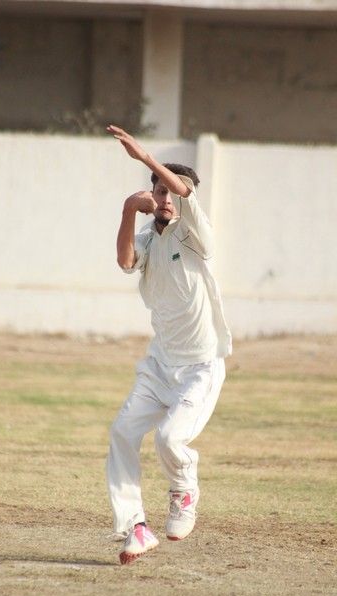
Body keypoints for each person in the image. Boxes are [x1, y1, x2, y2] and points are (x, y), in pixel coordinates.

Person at [106, 124, 232, 565]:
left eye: (172, 192)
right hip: (160, 365)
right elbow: (125, 261)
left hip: (201, 366)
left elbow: (181, 189)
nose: (165, 198)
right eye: (157, 191)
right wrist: (128, 207)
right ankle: (135, 527)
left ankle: (184, 490)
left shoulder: (195, 233)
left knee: (169, 438)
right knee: (122, 432)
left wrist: (144, 157)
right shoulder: (147, 238)